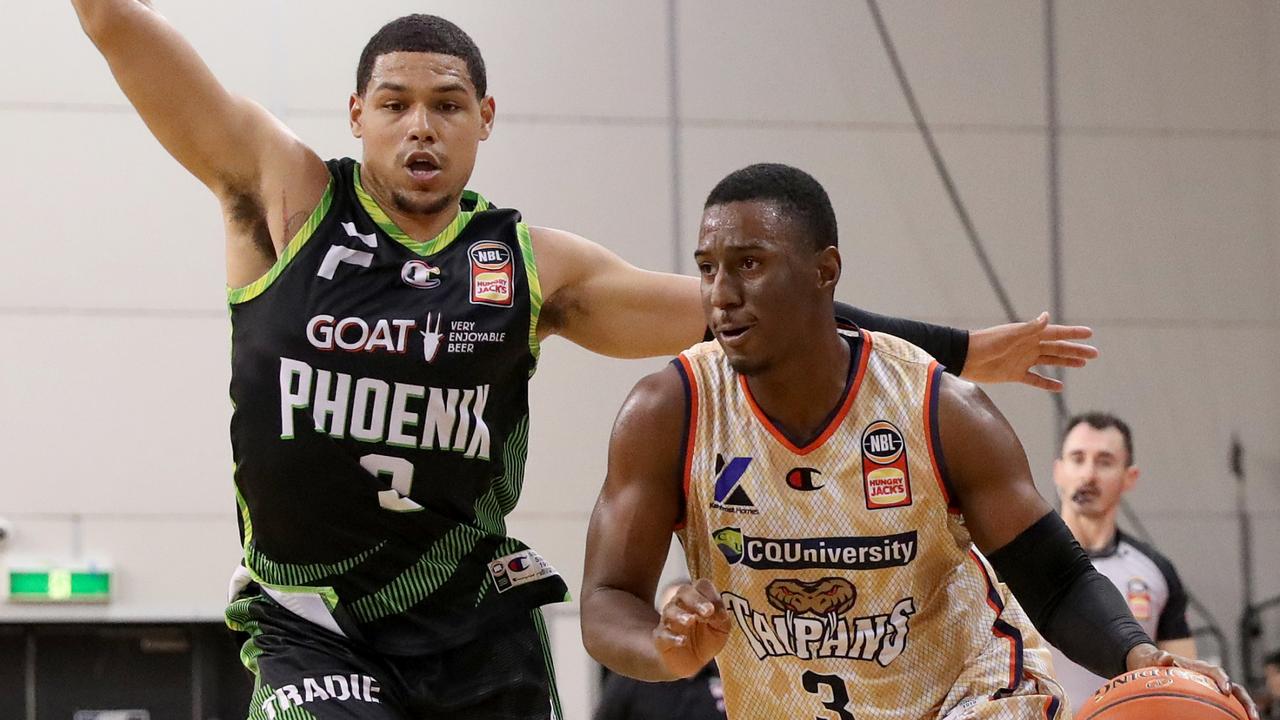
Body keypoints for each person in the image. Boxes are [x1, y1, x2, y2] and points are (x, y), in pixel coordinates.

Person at [71, 4, 1100, 718]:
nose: (419, 126)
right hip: (312, 620)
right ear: (356, 118)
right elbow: (118, 25)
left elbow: (747, 310)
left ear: (485, 118)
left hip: (471, 617)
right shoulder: (285, 199)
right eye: (394, 104)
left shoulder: (527, 266)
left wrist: (962, 350)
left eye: (446, 103)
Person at [579, 164, 1257, 720]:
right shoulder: (669, 412)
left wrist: (1138, 654)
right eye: (707, 268)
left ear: (825, 270)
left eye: (749, 263)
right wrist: (663, 647)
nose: (720, 294)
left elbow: (1055, 580)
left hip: (968, 695)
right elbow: (608, 599)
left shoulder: (939, 408)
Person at [1049, 412, 1198, 708]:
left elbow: (1184, 683)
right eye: (1077, 458)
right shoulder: (1017, 562)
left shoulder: (1156, 570)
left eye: (1104, 462)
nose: (1088, 474)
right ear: (1059, 471)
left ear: (1129, 477)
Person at [594, 580, 727, 720]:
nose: (682, 623)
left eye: (688, 614)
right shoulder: (631, 679)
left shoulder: (725, 674)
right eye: (672, 614)